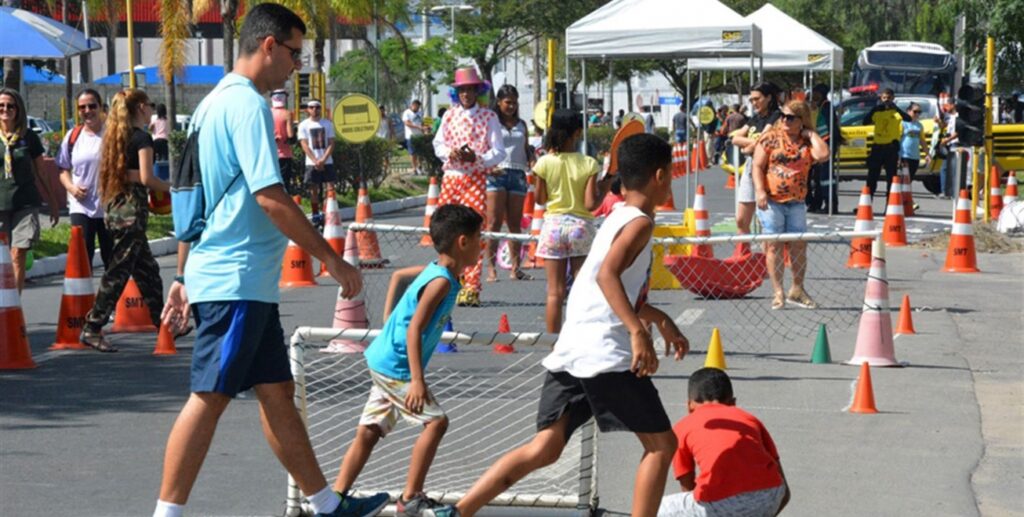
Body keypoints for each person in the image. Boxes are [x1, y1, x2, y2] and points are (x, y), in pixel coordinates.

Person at [154, 5, 386, 516]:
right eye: (294, 53)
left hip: (239, 278)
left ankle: (326, 505)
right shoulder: (247, 106)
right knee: (209, 397)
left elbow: (192, 198)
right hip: (235, 279)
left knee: (277, 393)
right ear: (267, 45)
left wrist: (183, 274)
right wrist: (333, 260)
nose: (296, 66)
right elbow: (270, 197)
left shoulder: (212, 104)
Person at [425, 133, 690, 517]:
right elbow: (607, 278)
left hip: (574, 347)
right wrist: (636, 331)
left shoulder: (616, 215)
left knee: (544, 449)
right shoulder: (639, 224)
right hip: (605, 353)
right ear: (661, 176)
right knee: (662, 446)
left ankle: (458, 511)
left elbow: (606, 284)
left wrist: (659, 319)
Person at [332, 204, 483, 517]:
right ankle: (410, 498)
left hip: (384, 359)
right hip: (397, 366)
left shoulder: (437, 271)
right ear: (462, 242)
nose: (482, 246)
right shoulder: (441, 281)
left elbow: (399, 277)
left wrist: (389, 320)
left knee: (370, 431)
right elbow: (415, 328)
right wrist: (417, 380)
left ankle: (336, 500)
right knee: (436, 422)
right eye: (479, 238)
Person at [78, 89, 171, 351]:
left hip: (116, 208)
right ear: (141, 107)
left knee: (148, 271)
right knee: (118, 271)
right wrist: (170, 187)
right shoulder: (142, 138)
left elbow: (124, 174)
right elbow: (146, 178)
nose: (152, 110)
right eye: (150, 105)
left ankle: (164, 324)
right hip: (132, 212)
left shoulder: (115, 136)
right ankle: (93, 326)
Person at [657, 368, 790, 517]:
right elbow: (784, 488)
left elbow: (687, 487)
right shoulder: (750, 419)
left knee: (653, 507)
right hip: (771, 496)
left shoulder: (682, 427)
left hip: (720, 504)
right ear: (733, 403)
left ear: (689, 405)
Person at [431, 67, 506, 307]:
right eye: (462, 90)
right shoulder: (449, 116)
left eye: (470, 89)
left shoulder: (489, 117)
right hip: (452, 177)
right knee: (446, 230)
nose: (466, 94)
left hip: (474, 179)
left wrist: (479, 159)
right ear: (457, 93)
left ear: (477, 91)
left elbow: (499, 151)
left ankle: (472, 285)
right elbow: (438, 144)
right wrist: (448, 152)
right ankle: (448, 280)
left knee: (473, 231)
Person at [533, 109, 611, 333]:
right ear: (577, 132)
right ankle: (579, 338)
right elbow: (590, 204)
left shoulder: (544, 163)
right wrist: (605, 185)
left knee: (554, 292)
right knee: (581, 289)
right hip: (580, 227)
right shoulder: (588, 163)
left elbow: (540, 199)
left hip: (553, 227)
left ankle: (553, 344)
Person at [752, 100, 829, 311]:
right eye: (783, 116)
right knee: (774, 245)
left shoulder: (806, 143)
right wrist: (759, 190)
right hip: (772, 200)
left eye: (791, 117)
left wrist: (811, 135)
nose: (785, 120)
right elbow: (757, 166)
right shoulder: (770, 138)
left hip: (796, 201)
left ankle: (797, 289)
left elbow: (823, 155)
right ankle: (778, 292)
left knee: (799, 245)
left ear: (801, 121)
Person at [0, 88, 60, 293]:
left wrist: (52, 201)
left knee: (18, 254)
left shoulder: (29, 138)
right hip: (1, 205)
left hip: (25, 203)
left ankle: (13, 309)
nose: (5, 109)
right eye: (1, 106)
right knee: (2, 258)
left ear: (18, 110)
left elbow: (42, 172)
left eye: (10, 106)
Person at [57, 88, 113, 270]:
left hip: (109, 206)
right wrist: (72, 188)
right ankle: (84, 298)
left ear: (101, 107)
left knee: (112, 259)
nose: (87, 111)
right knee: (82, 258)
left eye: (92, 106)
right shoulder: (73, 137)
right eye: (82, 107)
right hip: (81, 207)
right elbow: (63, 168)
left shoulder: (112, 135)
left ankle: (110, 298)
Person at [486, 85, 532, 282]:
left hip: (518, 174)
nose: (511, 106)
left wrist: (532, 159)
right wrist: (489, 167)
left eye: (514, 102)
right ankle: (491, 268)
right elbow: (485, 146)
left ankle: (515, 267)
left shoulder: (522, 124)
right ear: (499, 102)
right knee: (494, 223)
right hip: (497, 173)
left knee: (515, 224)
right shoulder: (491, 122)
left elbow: (526, 147)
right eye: (507, 102)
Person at [731, 82, 782, 235]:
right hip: (750, 166)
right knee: (741, 219)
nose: (754, 103)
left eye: (757, 99)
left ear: (768, 98)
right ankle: (744, 254)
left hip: (767, 168)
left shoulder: (777, 116)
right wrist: (752, 145)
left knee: (765, 221)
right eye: (751, 100)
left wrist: (749, 146)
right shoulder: (755, 118)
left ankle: (765, 257)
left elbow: (764, 139)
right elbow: (735, 138)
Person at [863, 88, 911, 198]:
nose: (886, 100)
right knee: (872, 177)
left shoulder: (896, 112)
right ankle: (867, 202)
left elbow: (908, 119)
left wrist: (896, 108)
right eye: (884, 98)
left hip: (891, 148)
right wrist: (875, 109)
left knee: (891, 177)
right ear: (881, 98)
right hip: (877, 147)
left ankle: (890, 205)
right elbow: (865, 121)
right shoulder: (877, 111)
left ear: (893, 98)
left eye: (889, 98)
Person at [298, 100, 336, 223]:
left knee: (330, 188)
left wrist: (323, 160)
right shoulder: (303, 125)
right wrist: (315, 160)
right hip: (311, 163)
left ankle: (329, 213)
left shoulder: (328, 124)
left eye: (317, 107)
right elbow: (304, 144)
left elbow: (331, 143)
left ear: (321, 109)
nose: (314, 110)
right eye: (311, 107)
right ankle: (315, 214)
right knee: (313, 189)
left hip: (327, 161)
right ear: (308, 110)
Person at [806, 84, 842, 213]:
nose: (812, 95)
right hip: (816, 144)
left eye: (815, 93)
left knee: (825, 177)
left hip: (826, 144)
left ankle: (830, 204)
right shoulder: (814, 106)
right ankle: (815, 203)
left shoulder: (826, 107)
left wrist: (828, 146)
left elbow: (830, 128)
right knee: (816, 177)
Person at [271, 89, 296, 194]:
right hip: (284, 154)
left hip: (270, 154)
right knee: (284, 183)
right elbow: (290, 136)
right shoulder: (287, 114)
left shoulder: (268, 112)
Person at [933, 96, 959, 199]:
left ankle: (952, 192)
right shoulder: (950, 116)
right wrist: (939, 122)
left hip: (954, 144)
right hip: (948, 145)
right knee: (944, 168)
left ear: (952, 105)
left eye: (947, 105)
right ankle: (945, 191)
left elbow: (957, 132)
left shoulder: (958, 117)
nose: (945, 107)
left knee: (953, 168)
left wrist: (947, 140)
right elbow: (945, 126)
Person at [899, 102, 927, 187]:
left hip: (915, 156)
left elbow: (922, 141)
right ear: (908, 111)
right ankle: (900, 196)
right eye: (915, 111)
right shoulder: (903, 123)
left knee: (910, 178)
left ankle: (905, 196)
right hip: (904, 155)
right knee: (904, 177)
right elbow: (897, 139)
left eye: (919, 112)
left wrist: (927, 154)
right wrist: (897, 155)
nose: (917, 114)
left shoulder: (919, 125)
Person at [403, 100, 428, 175]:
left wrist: (425, 129)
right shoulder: (407, 112)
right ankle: (414, 168)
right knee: (413, 153)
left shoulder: (420, 113)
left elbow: (423, 123)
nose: (417, 107)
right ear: (412, 105)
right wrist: (418, 127)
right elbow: (407, 123)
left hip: (420, 136)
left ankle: (420, 167)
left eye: (418, 106)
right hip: (411, 136)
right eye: (416, 105)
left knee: (420, 153)